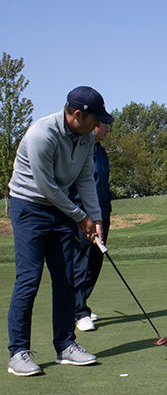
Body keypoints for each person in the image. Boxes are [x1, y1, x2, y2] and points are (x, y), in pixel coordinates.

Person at [7, 86, 113, 376]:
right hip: (29, 206)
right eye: (96, 119)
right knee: (29, 277)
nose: (99, 125)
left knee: (66, 278)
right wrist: (81, 217)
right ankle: (18, 352)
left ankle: (65, 345)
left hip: (61, 207)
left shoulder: (85, 138)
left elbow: (85, 178)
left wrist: (96, 218)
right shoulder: (42, 135)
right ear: (78, 115)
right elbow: (47, 188)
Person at [70, 122, 112, 332]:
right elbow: (77, 186)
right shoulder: (80, 149)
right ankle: (78, 312)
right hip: (83, 216)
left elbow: (103, 184)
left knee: (95, 261)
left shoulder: (101, 152)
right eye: (106, 125)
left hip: (102, 215)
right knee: (82, 262)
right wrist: (83, 215)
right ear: (94, 126)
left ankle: (80, 305)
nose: (108, 130)